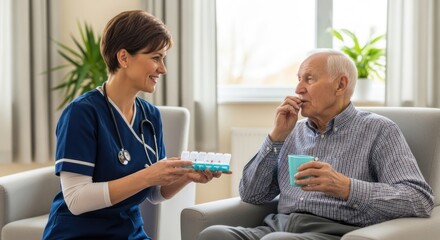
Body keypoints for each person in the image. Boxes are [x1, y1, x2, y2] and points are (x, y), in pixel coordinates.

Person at [198, 49, 434, 240]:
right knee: (214, 234)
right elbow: (252, 194)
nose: (298, 88)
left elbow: (418, 199)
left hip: (334, 232)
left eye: (309, 79)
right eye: (299, 79)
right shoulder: (292, 131)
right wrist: (276, 136)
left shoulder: (379, 130)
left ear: (340, 85)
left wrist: (346, 187)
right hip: (278, 227)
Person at [43, 10, 225, 240]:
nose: (163, 68)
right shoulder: (82, 113)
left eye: (163, 58)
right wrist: (149, 175)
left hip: (129, 233)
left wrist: (187, 176)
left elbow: (155, 193)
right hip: (78, 234)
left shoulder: (150, 116)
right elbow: (77, 200)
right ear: (124, 57)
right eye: (156, 58)